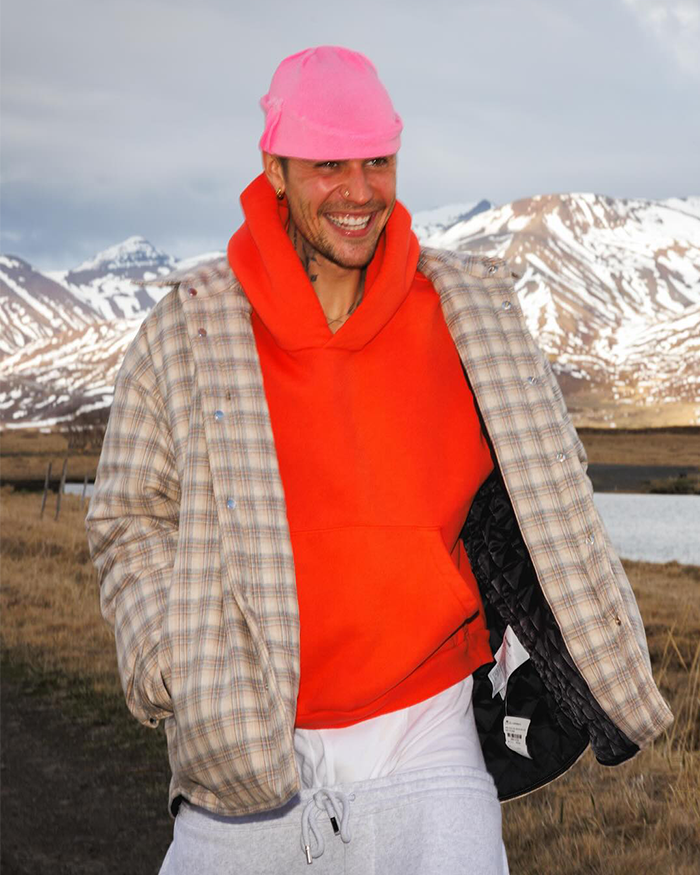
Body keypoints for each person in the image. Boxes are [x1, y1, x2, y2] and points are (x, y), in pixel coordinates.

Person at [85, 46, 673, 875]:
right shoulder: (191, 330)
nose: (359, 190)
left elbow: (549, 483)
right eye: (328, 162)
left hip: (428, 739)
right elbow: (128, 516)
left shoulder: (474, 317)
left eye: (377, 160)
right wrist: (172, 663)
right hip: (248, 742)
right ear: (275, 167)